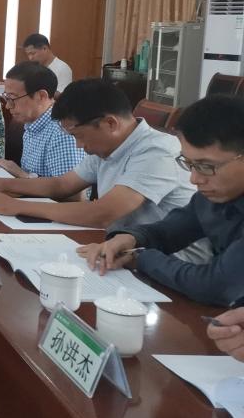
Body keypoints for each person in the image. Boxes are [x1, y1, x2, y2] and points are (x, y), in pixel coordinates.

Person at [78, 95, 244, 307]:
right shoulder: (211, 196)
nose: (194, 179)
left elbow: (215, 286)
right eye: (189, 164)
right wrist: (131, 239)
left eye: (205, 166)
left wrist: (140, 258)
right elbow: (169, 231)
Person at [0, 79, 194, 229]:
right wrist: (1, 183)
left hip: (167, 267)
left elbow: (104, 213)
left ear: (110, 123)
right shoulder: (108, 145)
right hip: (123, 250)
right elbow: (61, 185)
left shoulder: (157, 151)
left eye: (78, 135)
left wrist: (17, 206)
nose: (78, 146)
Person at [0, 61, 84, 178]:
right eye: (7, 98)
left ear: (41, 96)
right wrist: (7, 167)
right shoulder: (32, 124)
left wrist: (18, 172)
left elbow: (67, 188)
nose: (8, 106)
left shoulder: (63, 132)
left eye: (12, 98)